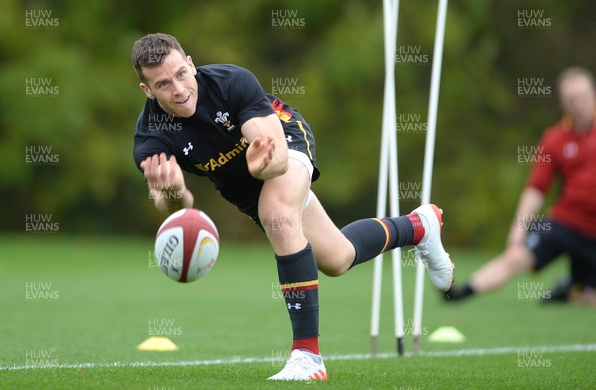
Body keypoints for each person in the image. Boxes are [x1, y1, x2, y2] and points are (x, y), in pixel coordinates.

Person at [131, 33, 454, 381]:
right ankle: (419, 226)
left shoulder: (231, 82)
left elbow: (276, 156)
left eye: (181, 74)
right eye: (163, 84)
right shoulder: (152, 137)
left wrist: (261, 165)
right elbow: (180, 210)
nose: (179, 89)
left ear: (191, 63)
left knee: (278, 215)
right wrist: (175, 191)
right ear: (147, 91)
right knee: (337, 258)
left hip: (283, 143)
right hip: (241, 188)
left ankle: (308, 356)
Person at [447, 67, 596, 307]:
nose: (577, 104)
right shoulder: (554, 138)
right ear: (563, 102)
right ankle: (462, 291)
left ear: (593, 95)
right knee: (517, 255)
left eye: (582, 96)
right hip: (565, 223)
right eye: (570, 99)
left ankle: (570, 288)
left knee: (590, 301)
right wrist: (519, 228)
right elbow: (537, 188)